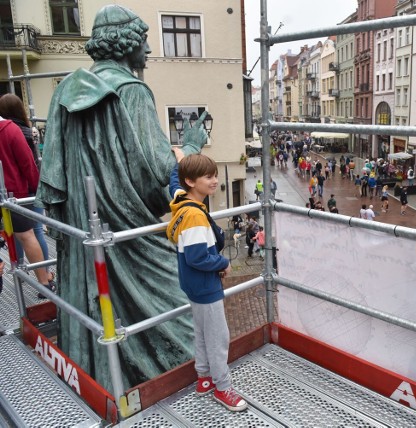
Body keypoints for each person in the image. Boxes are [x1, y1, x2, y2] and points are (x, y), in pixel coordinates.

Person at [36, 5, 208, 389]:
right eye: (144, 40)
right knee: (180, 314)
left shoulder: (65, 89)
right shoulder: (131, 90)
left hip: (85, 233)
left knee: (100, 308)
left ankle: (101, 378)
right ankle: (168, 380)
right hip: (129, 239)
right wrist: (191, 147)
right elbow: (158, 177)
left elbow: (52, 179)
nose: (148, 50)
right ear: (125, 43)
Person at [166, 154, 247, 412]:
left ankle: (203, 379)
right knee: (217, 337)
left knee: (201, 332)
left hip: (192, 284)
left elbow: (173, 182)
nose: (214, 181)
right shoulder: (195, 217)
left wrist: (180, 158)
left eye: (214, 175)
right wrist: (222, 264)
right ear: (191, 181)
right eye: (208, 177)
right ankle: (223, 389)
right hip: (205, 285)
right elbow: (198, 256)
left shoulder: (181, 201)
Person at [0, 94, 55, 289]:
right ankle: (44, 280)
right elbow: (28, 163)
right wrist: (38, 190)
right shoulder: (11, 130)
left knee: (13, 234)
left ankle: (19, 270)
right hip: (16, 192)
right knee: (29, 233)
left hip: (9, 191)